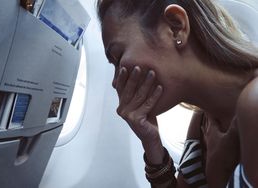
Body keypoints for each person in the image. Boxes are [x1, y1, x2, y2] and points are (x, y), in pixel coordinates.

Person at [97, 0, 258, 187]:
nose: (115, 81)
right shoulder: (201, 120)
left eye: (118, 57)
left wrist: (218, 169)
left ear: (175, 27)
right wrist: (152, 144)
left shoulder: (254, 103)